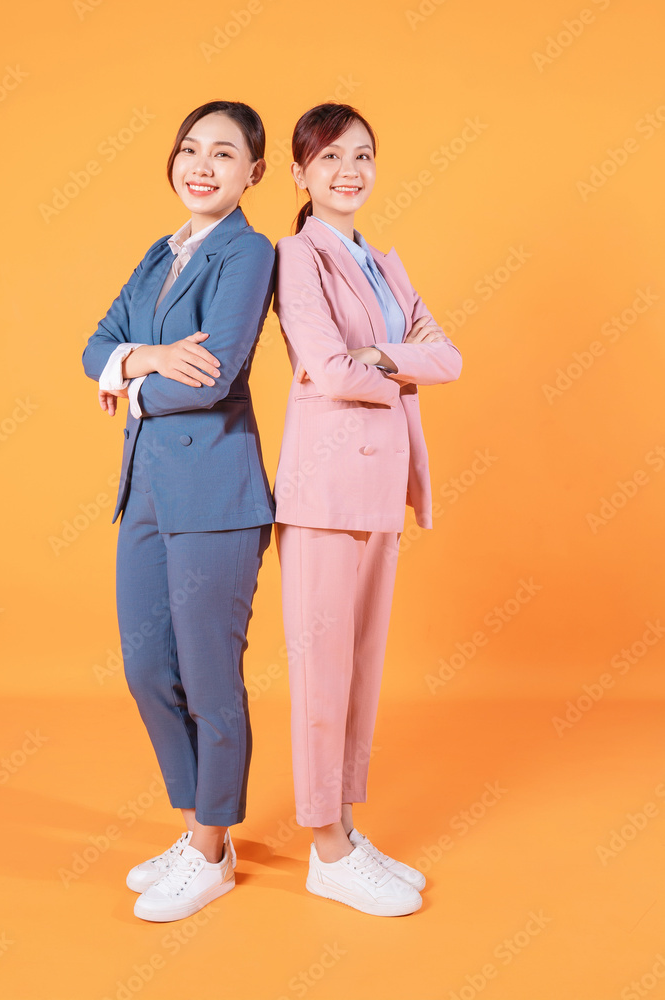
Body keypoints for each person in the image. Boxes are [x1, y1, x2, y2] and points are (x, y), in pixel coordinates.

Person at [82, 101, 275, 922]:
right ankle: (200, 826)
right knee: (144, 669)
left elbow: (217, 372)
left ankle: (209, 845)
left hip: (217, 494)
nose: (201, 164)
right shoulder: (159, 253)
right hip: (148, 490)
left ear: (252, 174)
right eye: (190, 149)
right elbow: (94, 342)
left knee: (208, 679)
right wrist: (142, 357)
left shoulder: (248, 250)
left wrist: (125, 382)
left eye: (223, 154)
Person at [273, 103, 463, 916]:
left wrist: (379, 355)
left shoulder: (384, 264)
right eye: (330, 159)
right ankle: (323, 848)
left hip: (382, 484)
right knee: (320, 672)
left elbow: (448, 356)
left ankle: (344, 829)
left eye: (362, 156)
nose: (348, 171)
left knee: (360, 668)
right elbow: (323, 366)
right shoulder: (296, 254)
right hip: (322, 489)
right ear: (299, 175)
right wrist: (393, 366)